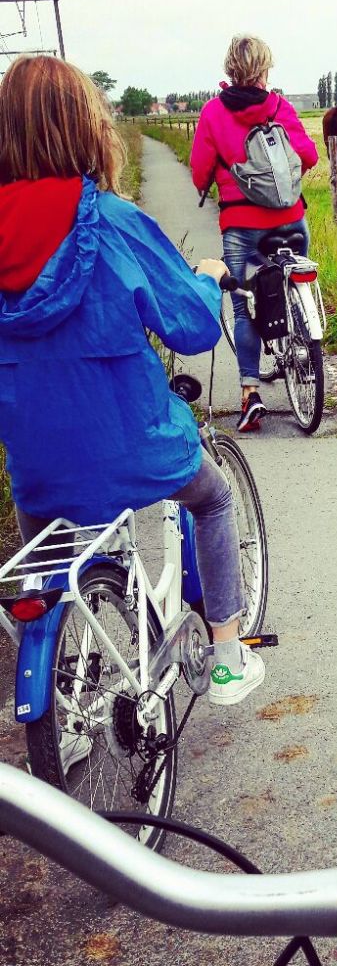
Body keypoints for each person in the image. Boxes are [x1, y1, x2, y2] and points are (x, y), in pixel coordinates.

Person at [0, 54, 264, 707]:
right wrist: (207, 277)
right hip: (138, 446)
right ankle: (228, 658)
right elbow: (194, 331)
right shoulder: (113, 223)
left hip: (39, 466)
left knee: (55, 566)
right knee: (214, 499)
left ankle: (67, 708)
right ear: (87, 128)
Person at [191, 34, 319, 433]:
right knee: (297, 273)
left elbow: (198, 170)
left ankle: (250, 392)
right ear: (265, 69)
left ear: (230, 68)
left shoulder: (213, 113)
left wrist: (214, 180)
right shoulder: (280, 106)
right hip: (290, 220)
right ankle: (304, 329)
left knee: (244, 305)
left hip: (241, 226)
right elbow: (310, 155)